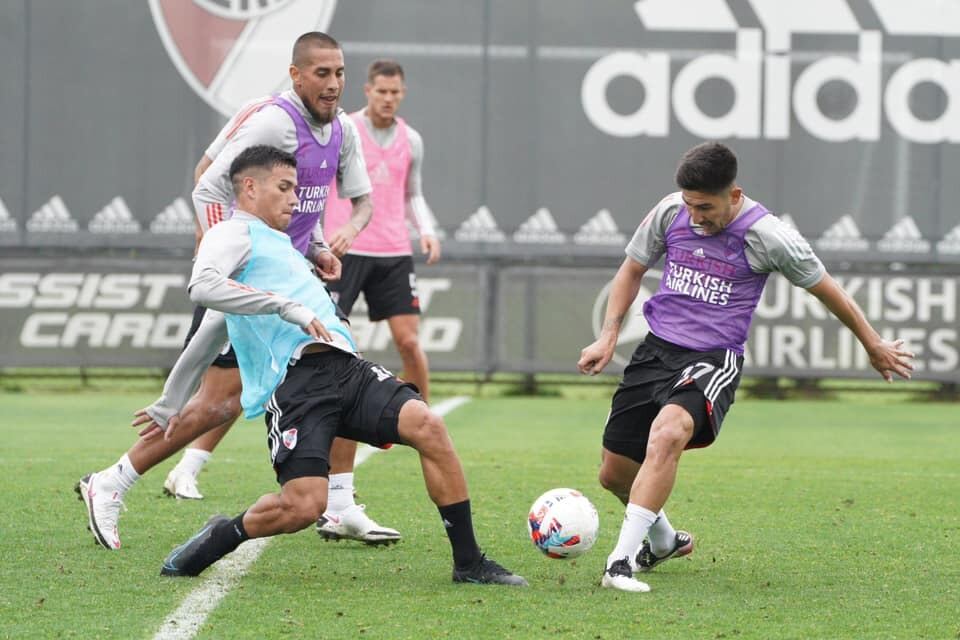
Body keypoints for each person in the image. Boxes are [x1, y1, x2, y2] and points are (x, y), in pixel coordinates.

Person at [77, 31, 400, 550]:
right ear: (296, 75)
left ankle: (338, 505)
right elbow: (208, 181)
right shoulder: (272, 118)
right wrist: (221, 253)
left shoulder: (340, 130)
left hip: (291, 279)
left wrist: (317, 245)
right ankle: (113, 481)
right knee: (214, 406)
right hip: (252, 283)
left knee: (341, 368)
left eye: (339, 73)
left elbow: (315, 203)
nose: (334, 83)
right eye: (322, 73)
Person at [158, 145, 526, 587]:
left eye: (296, 188)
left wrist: (170, 397)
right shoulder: (232, 233)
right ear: (249, 188)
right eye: (284, 187)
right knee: (302, 507)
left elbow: (213, 329)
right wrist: (174, 399)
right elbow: (204, 292)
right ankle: (224, 535)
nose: (296, 199)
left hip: (345, 368)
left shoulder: (282, 245)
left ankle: (469, 563)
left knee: (427, 425)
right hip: (297, 388)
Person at [577, 142, 915, 593]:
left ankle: (619, 564)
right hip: (655, 352)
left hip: (713, 358)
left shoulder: (769, 235)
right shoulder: (669, 211)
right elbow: (631, 270)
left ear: (735, 195)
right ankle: (662, 541)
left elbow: (828, 290)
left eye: (706, 207)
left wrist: (873, 344)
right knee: (614, 474)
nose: (696, 216)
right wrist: (608, 336)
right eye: (690, 205)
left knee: (669, 432)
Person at [323, 59, 440, 402]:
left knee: (409, 341)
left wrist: (427, 232)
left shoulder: (411, 140)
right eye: (381, 91)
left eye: (394, 92)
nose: (388, 98)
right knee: (330, 340)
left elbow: (413, 193)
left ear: (402, 94)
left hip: (394, 251)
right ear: (368, 91)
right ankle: (329, 413)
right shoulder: (343, 129)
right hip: (344, 251)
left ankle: (423, 418)